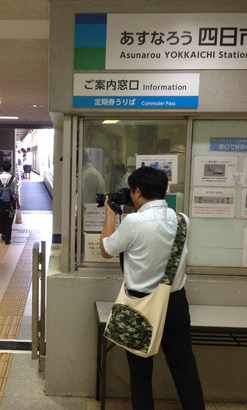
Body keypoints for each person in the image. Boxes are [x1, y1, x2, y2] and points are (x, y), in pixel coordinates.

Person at [99, 166, 205, 410]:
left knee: (140, 372)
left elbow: (106, 250)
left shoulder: (134, 222)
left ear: (136, 191)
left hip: (140, 305)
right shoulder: (182, 220)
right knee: (184, 366)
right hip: (175, 303)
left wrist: (110, 215)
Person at [0, 160, 20, 244]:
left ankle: (3, 233)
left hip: (1, 203)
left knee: (2, 218)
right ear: (10, 168)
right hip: (11, 203)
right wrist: (18, 203)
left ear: (2, 168)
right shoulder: (13, 178)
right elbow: (16, 192)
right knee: (9, 219)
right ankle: (7, 239)